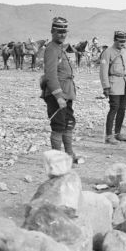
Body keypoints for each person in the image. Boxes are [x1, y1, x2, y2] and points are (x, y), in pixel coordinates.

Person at [41, 17, 79, 161]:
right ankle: (56, 159)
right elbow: (50, 75)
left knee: (68, 123)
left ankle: (69, 154)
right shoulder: (51, 49)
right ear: (52, 31)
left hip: (67, 92)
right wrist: (58, 96)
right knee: (58, 125)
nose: (62, 35)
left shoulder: (60, 48)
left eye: (64, 32)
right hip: (57, 94)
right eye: (59, 32)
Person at [99, 30, 126, 144]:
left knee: (122, 109)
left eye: (124, 41)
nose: (122, 43)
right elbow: (103, 71)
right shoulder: (107, 52)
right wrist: (105, 87)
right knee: (114, 108)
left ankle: (117, 133)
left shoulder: (124, 51)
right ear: (115, 40)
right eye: (120, 41)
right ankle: (109, 136)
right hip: (114, 84)